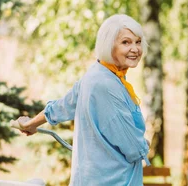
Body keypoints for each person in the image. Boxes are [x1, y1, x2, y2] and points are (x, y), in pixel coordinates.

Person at [14, 14, 150, 185]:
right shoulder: (107, 85)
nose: (135, 49)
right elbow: (133, 147)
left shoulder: (96, 74)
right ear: (109, 45)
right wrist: (144, 145)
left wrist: (32, 123)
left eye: (138, 42)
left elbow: (62, 106)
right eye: (126, 42)